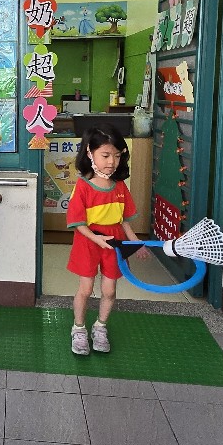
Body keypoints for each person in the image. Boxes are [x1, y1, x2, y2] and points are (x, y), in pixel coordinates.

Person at [65, 125, 146, 356]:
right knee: (86, 289)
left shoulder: (120, 186)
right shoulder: (82, 186)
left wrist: (136, 244)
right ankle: (78, 329)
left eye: (117, 156)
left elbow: (124, 222)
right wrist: (96, 239)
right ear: (90, 153)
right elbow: (78, 223)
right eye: (106, 155)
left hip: (114, 243)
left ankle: (100, 327)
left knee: (109, 291)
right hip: (88, 241)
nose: (112, 162)